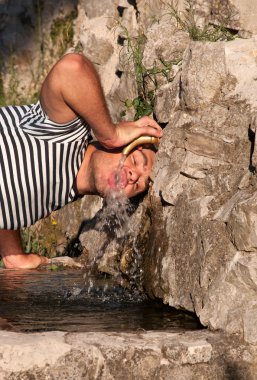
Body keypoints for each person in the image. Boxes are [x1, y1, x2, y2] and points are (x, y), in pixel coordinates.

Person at [0, 53, 162, 269]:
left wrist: (13, 255)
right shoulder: (68, 132)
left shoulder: (60, 194)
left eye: (141, 183)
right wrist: (110, 133)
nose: (134, 175)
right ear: (116, 144)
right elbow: (71, 67)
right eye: (135, 160)